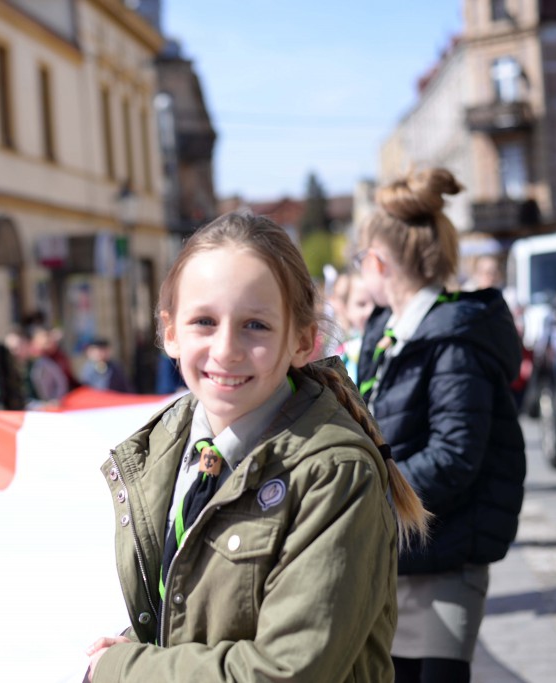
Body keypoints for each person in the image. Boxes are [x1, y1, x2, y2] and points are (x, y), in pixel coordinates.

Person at [85, 212, 429, 682]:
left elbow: (286, 671)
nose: (226, 349)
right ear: (170, 333)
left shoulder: (332, 473)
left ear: (302, 339)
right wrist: (137, 644)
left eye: (256, 326)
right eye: (204, 321)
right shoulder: (165, 446)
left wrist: (126, 671)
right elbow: (193, 608)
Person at [353, 168, 525, 683]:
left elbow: (454, 455)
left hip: (448, 559)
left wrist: (367, 495)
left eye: (361, 259)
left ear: (379, 263)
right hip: (399, 554)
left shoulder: (452, 338)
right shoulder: (387, 329)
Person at [336, 272, 375, 386]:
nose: (370, 310)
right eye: (361, 304)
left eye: (375, 303)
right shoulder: (343, 355)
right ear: (346, 308)